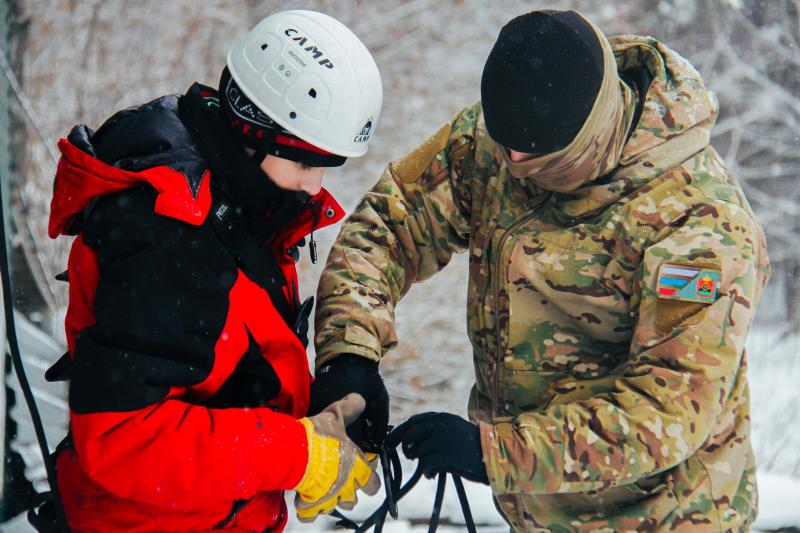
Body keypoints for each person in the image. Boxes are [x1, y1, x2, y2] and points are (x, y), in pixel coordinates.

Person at [310, 9, 770, 532]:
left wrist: (493, 453)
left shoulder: (698, 224)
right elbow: (388, 229)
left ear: (589, 134)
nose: (512, 162)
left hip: (663, 517)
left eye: (535, 157)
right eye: (505, 147)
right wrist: (349, 354)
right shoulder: (497, 141)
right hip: (536, 515)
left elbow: (666, 412)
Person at [46, 10, 382, 532]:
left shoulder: (239, 204)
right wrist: (296, 453)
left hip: (210, 512)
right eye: (306, 163)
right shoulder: (171, 230)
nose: (316, 186)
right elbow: (121, 439)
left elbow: (217, 353)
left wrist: (311, 403)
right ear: (257, 132)